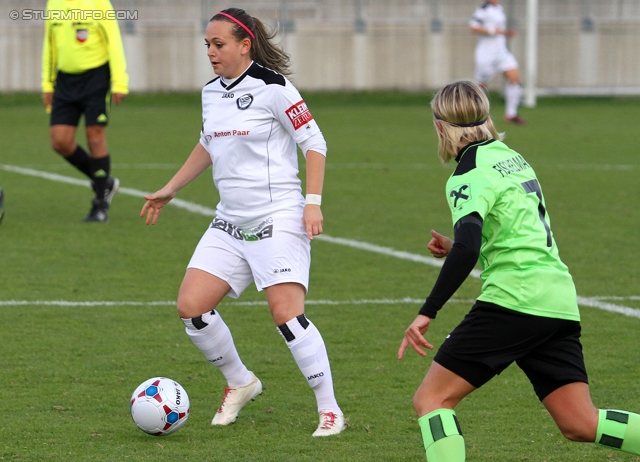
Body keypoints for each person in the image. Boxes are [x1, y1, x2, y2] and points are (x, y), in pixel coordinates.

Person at [398, 79, 640, 461]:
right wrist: (459, 246)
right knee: (580, 422)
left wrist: (427, 311)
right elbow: (509, 236)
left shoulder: (467, 175)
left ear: (440, 126)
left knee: (431, 399)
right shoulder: (509, 156)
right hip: (556, 299)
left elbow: (468, 245)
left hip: (514, 302)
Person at [139, 8, 346, 437]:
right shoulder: (210, 93)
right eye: (207, 46)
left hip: (278, 217)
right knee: (191, 308)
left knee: (286, 315)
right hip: (229, 220)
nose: (211, 53)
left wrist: (313, 202)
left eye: (219, 45)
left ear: (244, 44)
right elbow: (207, 142)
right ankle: (240, 381)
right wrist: (171, 187)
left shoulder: (274, 88)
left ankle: (330, 410)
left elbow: (315, 142)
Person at [42, 0, 128, 222]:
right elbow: (50, 44)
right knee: (59, 141)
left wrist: (120, 81)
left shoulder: (99, 3)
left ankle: (100, 204)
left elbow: (114, 43)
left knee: (95, 137)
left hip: (96, 79)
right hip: (64, 81)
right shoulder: (54, 4)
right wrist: (47, 84)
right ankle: (105, 182)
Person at [469, 0, 526, 125]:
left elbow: (498, 29)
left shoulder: (499, 8)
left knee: (515, 80)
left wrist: (505, 34)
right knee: (481, 87)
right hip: (486, 54)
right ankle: (469, 112)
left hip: (501, 53)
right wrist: (492, 31)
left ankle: (511, 114)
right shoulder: (483, 10)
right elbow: (473, 27)